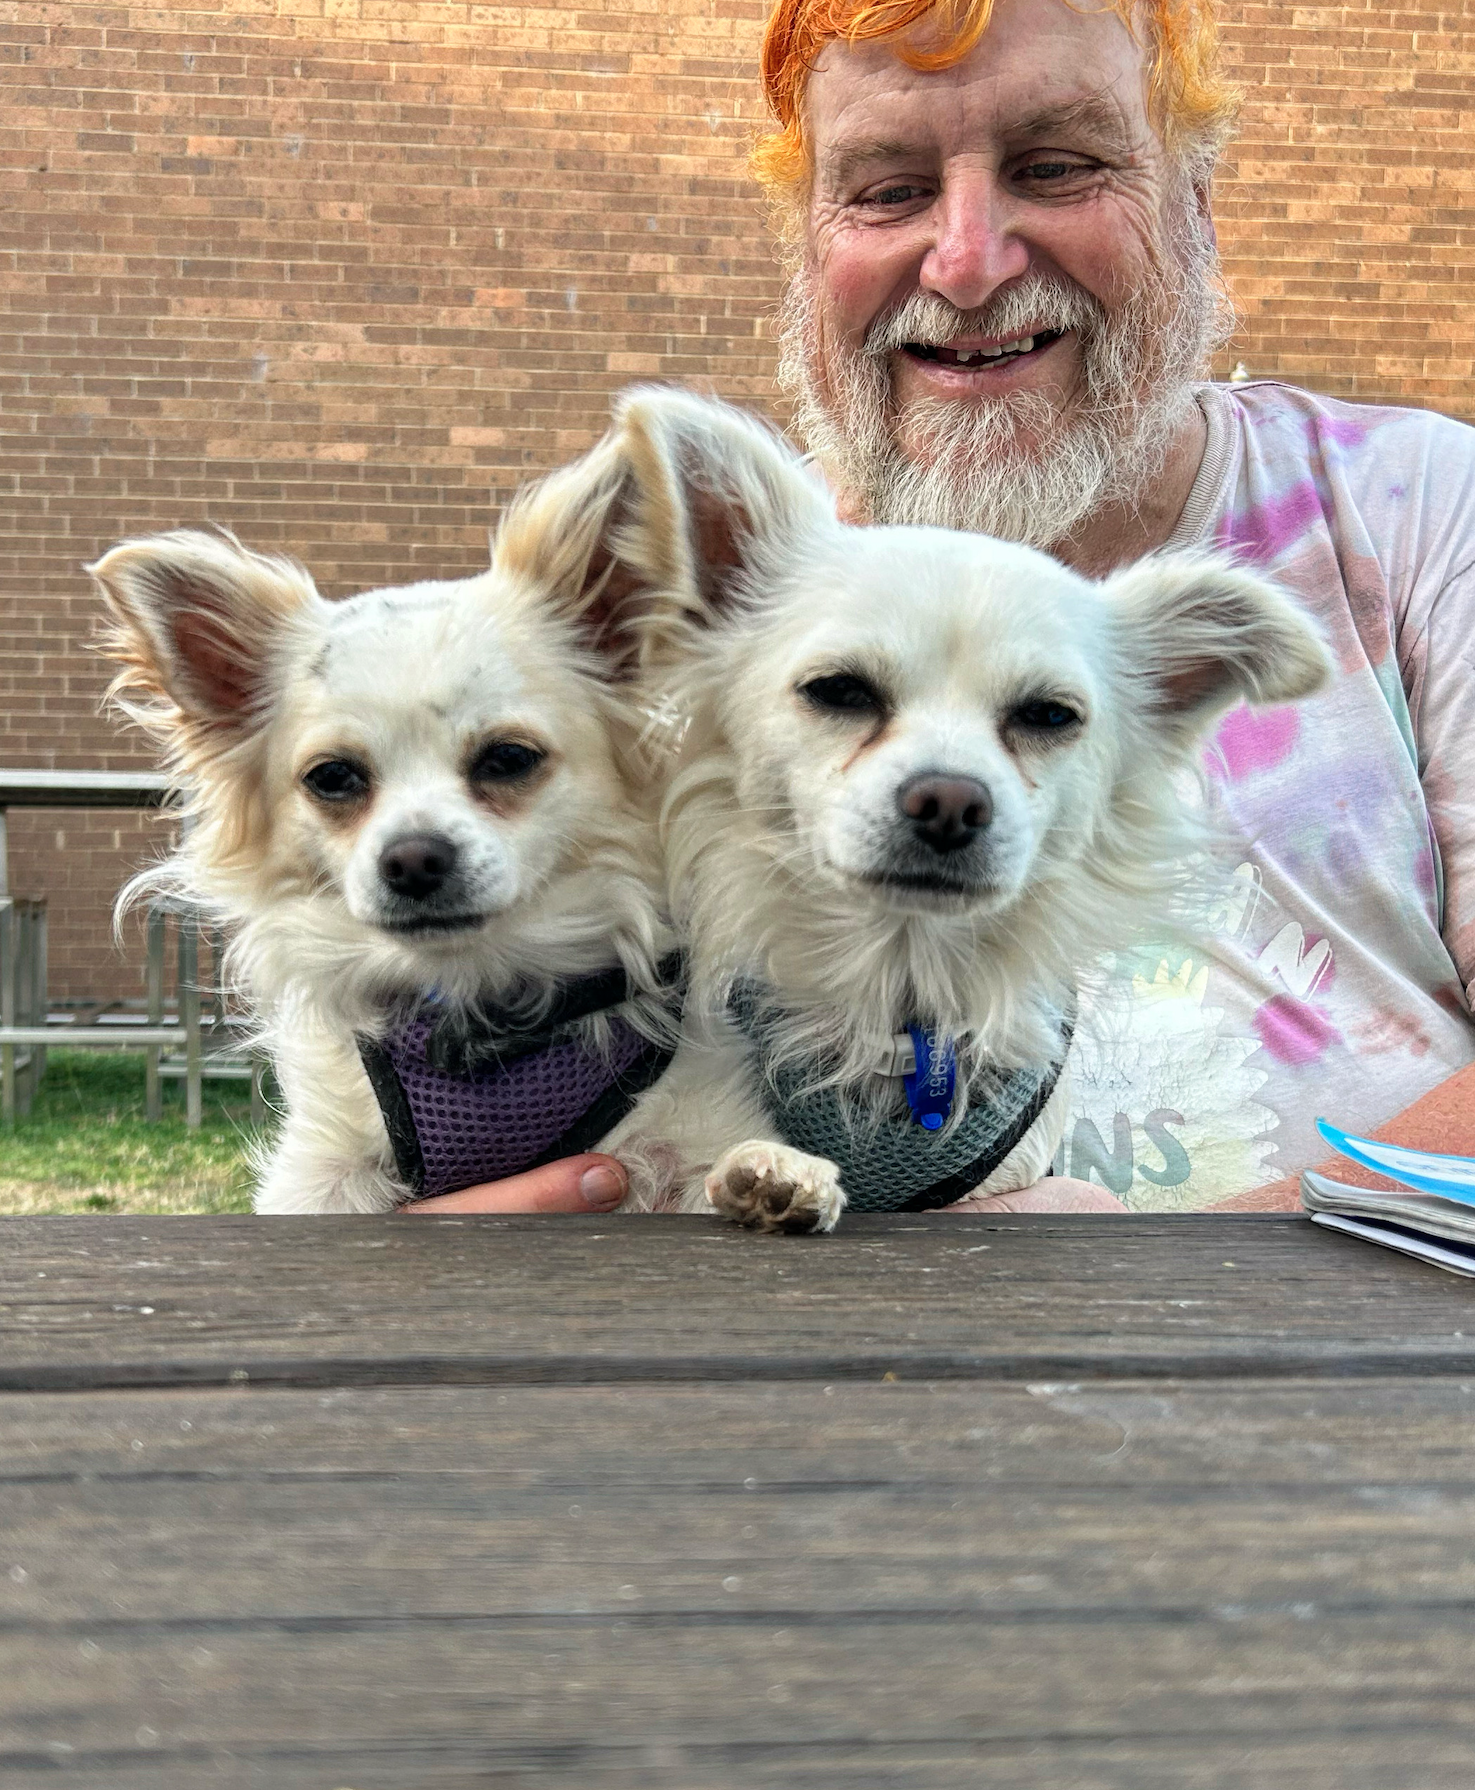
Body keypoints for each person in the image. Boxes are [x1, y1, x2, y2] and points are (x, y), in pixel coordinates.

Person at [412, 0, 1473, 1218]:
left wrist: (1190, 1273)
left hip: (1361, 1375)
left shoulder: (1428, 516)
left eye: (1056, 167)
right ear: (808, 243)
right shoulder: (692, 606)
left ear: (1195, 201)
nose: (967, 259)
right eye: (886, 189)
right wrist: (457, 1226)